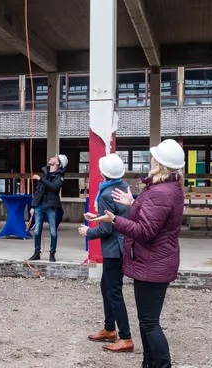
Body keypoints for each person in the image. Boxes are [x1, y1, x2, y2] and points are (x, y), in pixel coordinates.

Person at [88, 139, 185, 368]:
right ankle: (149, 364)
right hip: (157, 261)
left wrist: (115, 219)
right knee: (146, 322)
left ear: (159, 163)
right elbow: (154, 218)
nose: (151, 159)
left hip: (153, 262)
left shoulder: (159, 193)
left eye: (154, 157)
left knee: (150, 324)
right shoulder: (169, 188)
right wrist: (134, 204)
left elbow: (145, 231)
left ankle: (161, 364)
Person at [79, 153, 133, 353]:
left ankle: (125, 337)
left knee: (113, 292)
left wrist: (89, 231)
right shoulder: (124, 187)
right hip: (122, 245)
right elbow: (116, 217)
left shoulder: (104, 194)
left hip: (113, 250)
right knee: (107, 287)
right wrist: (97, 217)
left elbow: (107, 229)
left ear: (103, 173)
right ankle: (110, 328)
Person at [29, 153, 66, 262]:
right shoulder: (44, 172)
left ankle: (52, 253)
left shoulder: (60, 176)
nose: (51, 158)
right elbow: (38, 191)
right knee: (37, 231)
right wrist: (33, 206)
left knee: (53, 231)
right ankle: (36, 253)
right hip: (39, 205)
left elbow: (54, 187)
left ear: (58, 162)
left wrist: (40, 179)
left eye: (55, 157)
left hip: (51, 206)